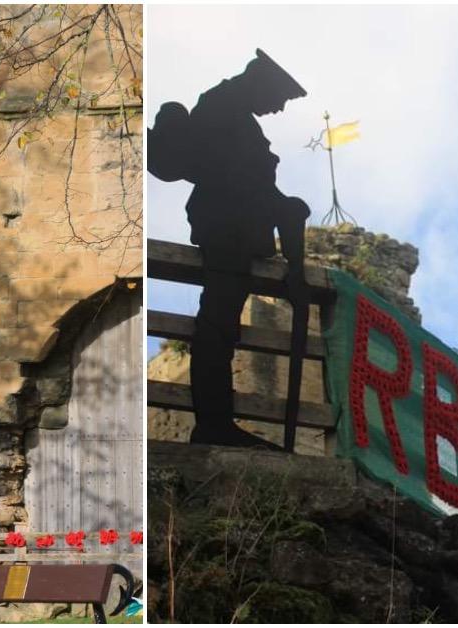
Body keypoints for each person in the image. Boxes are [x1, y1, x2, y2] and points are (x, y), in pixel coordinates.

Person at [148, 49, 311, 449]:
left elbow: (255, 185)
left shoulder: (234, 115)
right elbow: (238, 180)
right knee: (218, 326)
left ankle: (217, 422)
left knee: (222, 324)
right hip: (226, 229)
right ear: (261, 83)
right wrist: (281, 212)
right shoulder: (222, 109)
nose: (278, 109)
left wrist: (291, 241)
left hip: (236, 229)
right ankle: (214, 425)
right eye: (280, 100)